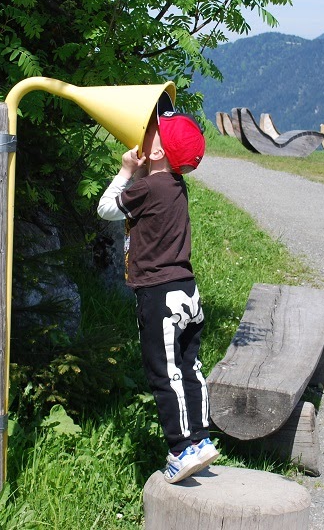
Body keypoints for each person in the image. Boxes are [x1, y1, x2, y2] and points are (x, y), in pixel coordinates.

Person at [97, 102, 219, 484]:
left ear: (158, 151)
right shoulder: (176, 186)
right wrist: (142, 170)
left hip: (159, 294)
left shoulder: (147, 187)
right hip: (187, 291)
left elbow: (105, 208)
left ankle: (180, 450)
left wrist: (125, 171)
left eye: (151, 131)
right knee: (190, 367)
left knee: (164, 374)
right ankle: (200, 439)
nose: (143, 132)